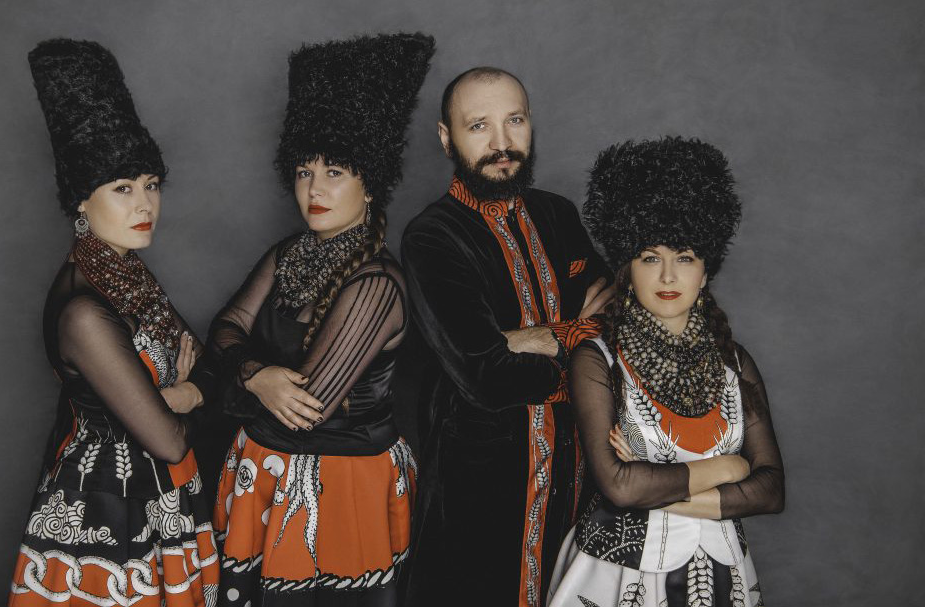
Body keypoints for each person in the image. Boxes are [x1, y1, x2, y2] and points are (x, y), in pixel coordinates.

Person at [206, 33, 434, 606]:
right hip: (265, 473)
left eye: (335, 171)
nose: (315, 188)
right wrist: (257, 375)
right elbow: (223, 329)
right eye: (304, 171)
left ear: (370, 182)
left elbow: (305, 410)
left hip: (339, 489)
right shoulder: (288, 252)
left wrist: (231, 376)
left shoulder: (377, 285)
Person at [9, 39, 220, 606]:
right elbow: (168, 441)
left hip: (162, 501)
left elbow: (211, 363)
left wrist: (183, 393)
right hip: (106, 511)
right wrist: (186, 394)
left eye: (151, 185)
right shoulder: (84, 310)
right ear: (82, 201)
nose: (144, 205)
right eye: (123, 189)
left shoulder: (126, 275)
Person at [402, 67, 616, 607]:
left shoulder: (559, 214)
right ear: (446, 138)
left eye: (514, 121)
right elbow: (486, 376)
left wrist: (526, 338)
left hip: (579, 485)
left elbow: (619, 325)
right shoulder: (432, 237)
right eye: (479, 126)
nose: (502, 143)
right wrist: (576, 341)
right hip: (479, 496)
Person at [544, 136, 785, 607]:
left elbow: (772, 490)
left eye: (685, 257)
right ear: (628, 268)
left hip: (725, 576)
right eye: (651, 257)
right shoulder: (597, 359)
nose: (668, 276)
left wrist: (653, 485)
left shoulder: (735, 362)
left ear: (705, 272)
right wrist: (728, 468)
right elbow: (617, 486)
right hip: (618, 576)